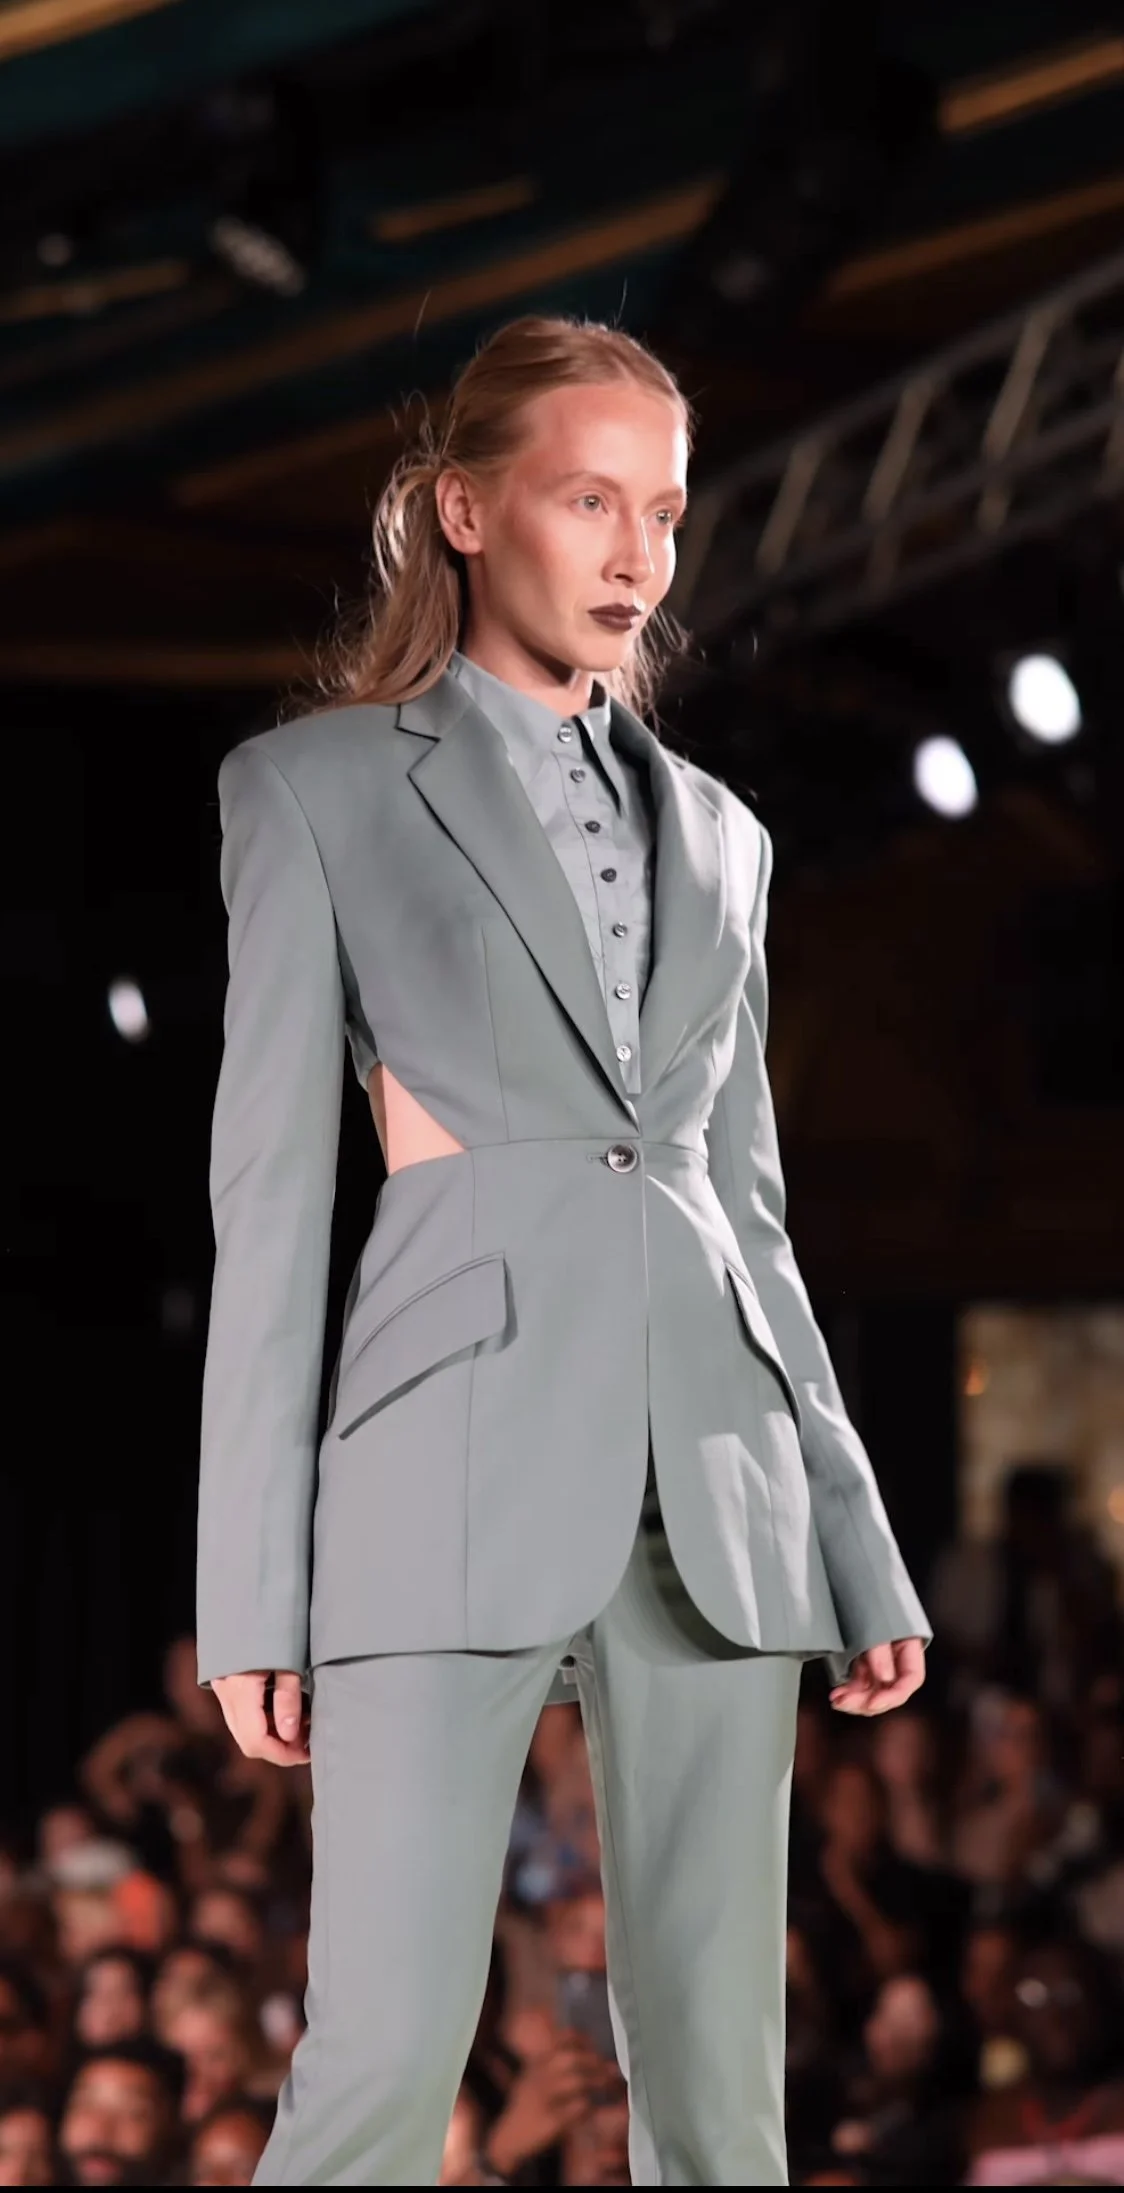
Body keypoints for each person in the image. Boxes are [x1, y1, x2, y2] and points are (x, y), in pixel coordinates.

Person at [195, 311, 929, 2185]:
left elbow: (748, 1209)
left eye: (663, 512)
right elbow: (268, 1204)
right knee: (381, 2059)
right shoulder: (314, 789)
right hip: (439, 1466)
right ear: (464, 511)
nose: (635, 554)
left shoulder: (729, 839)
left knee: (721, 2080)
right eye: (587, 499)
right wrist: (252, 1593)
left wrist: (857, 1540)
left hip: (721, 1480)